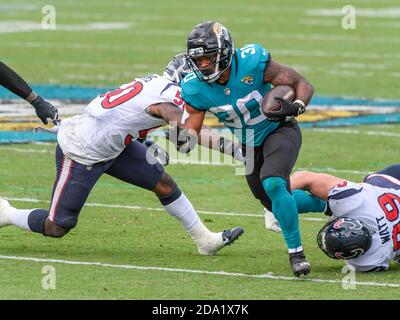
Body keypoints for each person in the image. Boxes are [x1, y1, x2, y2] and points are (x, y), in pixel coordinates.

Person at [0, 72, 244, 256]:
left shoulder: (156, 83)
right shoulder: (171, 99)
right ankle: (7, 213)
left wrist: (144, 141)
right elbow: (173, 117)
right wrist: (200, 139)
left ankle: (204, 240)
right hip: (82, 150)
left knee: (163, 183)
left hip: (114, 145)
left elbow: (126, 115)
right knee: (58, 226)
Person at [176, 21, 316, 276]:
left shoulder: (253, 62)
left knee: (274, 183)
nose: (204, 65)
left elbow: (301, 83)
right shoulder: (193, 87)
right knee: (273, 202)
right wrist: (182, 138)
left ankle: (296, 254)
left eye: (209, 58)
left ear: (226, 52)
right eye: (199, 60)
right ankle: (327, 203)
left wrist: (297, 106)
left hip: (279, 131)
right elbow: (192, 130)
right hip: (250, 146)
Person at [290, 164, 400, 272]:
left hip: (385, 198)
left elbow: (303, 177)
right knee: (337, 201)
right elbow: (303, 177)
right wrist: (277, 196)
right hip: (390, 184)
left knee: (335, 203)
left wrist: (277, 198)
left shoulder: (370, 262)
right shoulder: (353, 201)